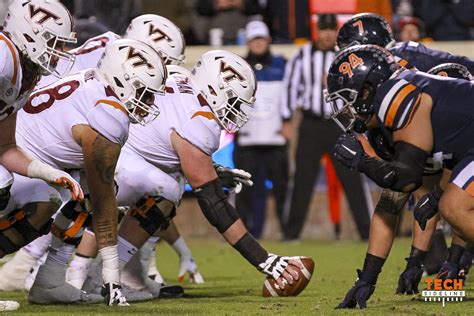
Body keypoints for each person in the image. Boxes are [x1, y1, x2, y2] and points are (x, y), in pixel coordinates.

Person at [5, 39, 167, 306]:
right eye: (145, 92)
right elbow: (105, 204)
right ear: (123, 80)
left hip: (21, 156)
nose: (148, 102)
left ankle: (51, 281)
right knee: (50, 203)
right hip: (16, 163)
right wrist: (112, 277)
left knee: (84, 193)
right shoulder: (109, 115)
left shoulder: (91, 81)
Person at [334, 13, 474, 309]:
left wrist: (361, 162)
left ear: (367, 90)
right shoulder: (382, 122)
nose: (344, 109)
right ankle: (451, 266)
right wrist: (368, 278)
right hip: (466, 147)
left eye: (347, 98)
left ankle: (456, 264)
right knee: (448, 201)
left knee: (454, 205)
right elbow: (393, 199)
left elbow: (407, 177)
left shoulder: (397, 98)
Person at [0, 0, 81, 311]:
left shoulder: (24, 73)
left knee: (44, 197)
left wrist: (46, 171)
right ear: (29, 33)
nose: (58, 52)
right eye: (53, 42)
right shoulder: (4, 55)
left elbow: (5, 147)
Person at [281, 13, 372, 241]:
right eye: (324, 29)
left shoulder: (347, 57)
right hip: (311, 124)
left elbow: (360, 87)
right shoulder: (302, 55)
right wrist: (286, 119)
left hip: (339, 123)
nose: (328, 34)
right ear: (317, 30)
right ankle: (292, 234)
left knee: (352, 178)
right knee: (302, 179)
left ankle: (367, 232)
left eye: (332, 29)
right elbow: (290, 87)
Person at [232, 20, 288, 238]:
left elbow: (289, 97)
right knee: (245, 190)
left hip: (276, 138)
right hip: (246, 138)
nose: (257, 43)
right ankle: (245, 234)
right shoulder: (237, 66)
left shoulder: (283, 64)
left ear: (269, 40)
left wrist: (288, 121)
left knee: (282, 188)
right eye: (254, 39)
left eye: (261, 38)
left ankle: (289, 232)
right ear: (247, 41)